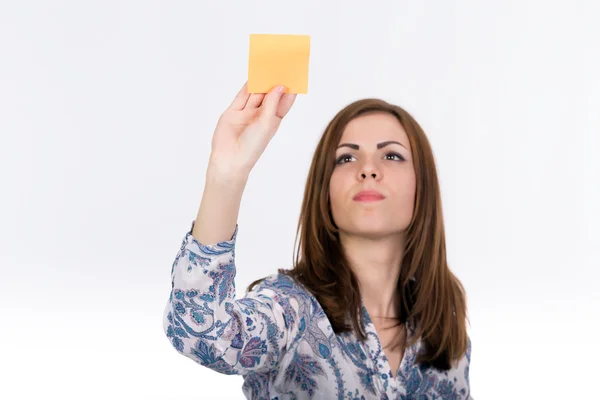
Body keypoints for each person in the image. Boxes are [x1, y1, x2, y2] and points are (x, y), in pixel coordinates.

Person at [163, 82, 472, 399]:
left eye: (391, 155)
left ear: (423, 186)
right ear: (325, 193)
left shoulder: (441, 324)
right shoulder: (289, 311)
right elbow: (201, 334)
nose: (368, 169)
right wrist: (226, 173)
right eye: (346, 159)